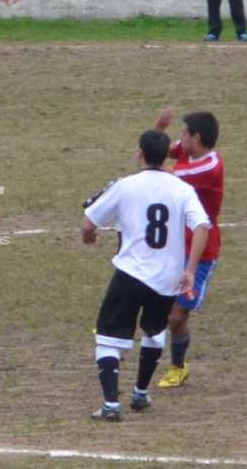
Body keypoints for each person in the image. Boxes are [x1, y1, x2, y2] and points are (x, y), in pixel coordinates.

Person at [82, 129, 210, 422]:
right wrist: (190, 270)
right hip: (167, 278)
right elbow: (202, 226)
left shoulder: (126, 186)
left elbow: (88, 222)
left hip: (131, 273)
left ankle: (111, 405)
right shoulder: (182, 189)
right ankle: (140, 393)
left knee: (108, 338)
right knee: (154, 331)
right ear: (166, 157)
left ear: (139, 153)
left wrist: (88, 236)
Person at [153, 108, 224, 388]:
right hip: (174, 243)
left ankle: (178, 367)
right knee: (154, 296)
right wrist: (158, 127)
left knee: (176, 315)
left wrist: (151, 154)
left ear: (197, 137)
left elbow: (158, 168)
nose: (180, 137)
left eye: (184, 133)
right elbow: (154, 152)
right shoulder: (187, 150)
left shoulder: (208, 168)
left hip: (201, 250)